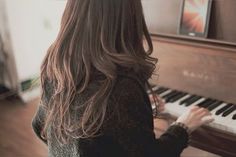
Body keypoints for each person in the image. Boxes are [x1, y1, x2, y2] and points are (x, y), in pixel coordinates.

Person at [32, 0, 214, 157]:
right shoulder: (121, 86)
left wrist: (124, 118)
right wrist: (182, 127)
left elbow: (40, 127)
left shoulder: (58, 65)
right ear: (129, 19)